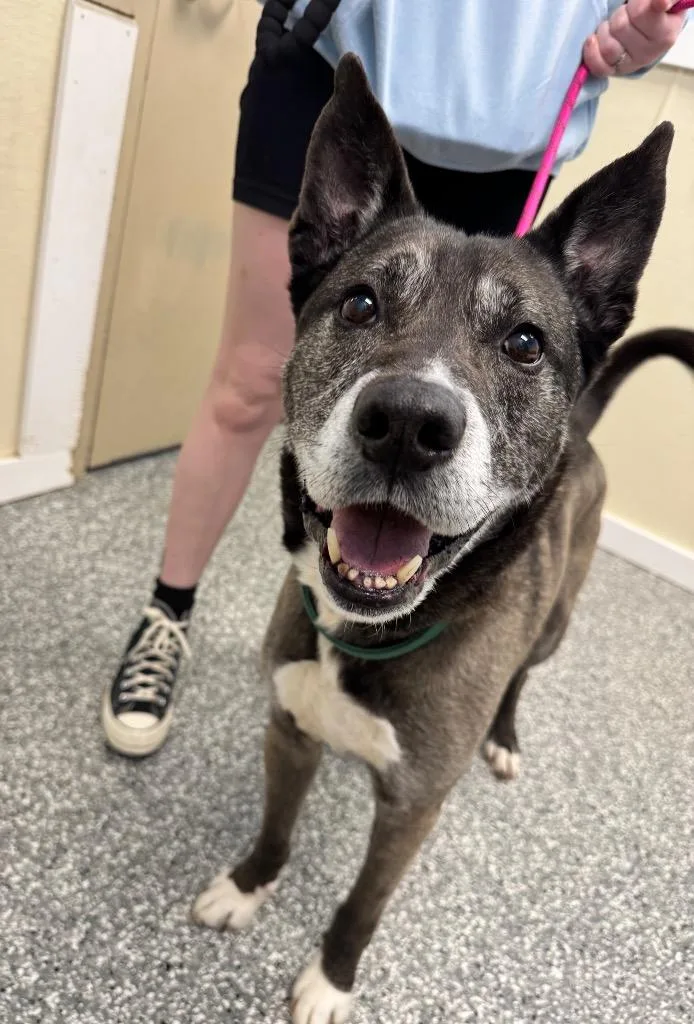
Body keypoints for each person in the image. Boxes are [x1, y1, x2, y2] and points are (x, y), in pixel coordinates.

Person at [101, 0, 686, 757]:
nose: (412, 411)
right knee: (250, 377)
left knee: (469, 424)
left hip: (513, 121)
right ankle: (167, 613)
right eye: (363, 305)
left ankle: (421, 697)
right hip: (336, 54)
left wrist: (642, 33)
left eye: (524, 344)